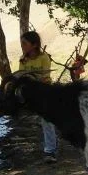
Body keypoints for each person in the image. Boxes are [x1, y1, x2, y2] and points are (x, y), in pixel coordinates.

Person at [18, 31, 57, 163]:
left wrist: (32, 79)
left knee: (47, 120)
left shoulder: (44, 58)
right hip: (28, 92)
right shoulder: (23, 59)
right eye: (22, 43)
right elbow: (22, 77)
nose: (22, 46)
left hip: (44, 91)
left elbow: (45, 77)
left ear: (34, 45)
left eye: (25, 43)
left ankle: (50, 151)